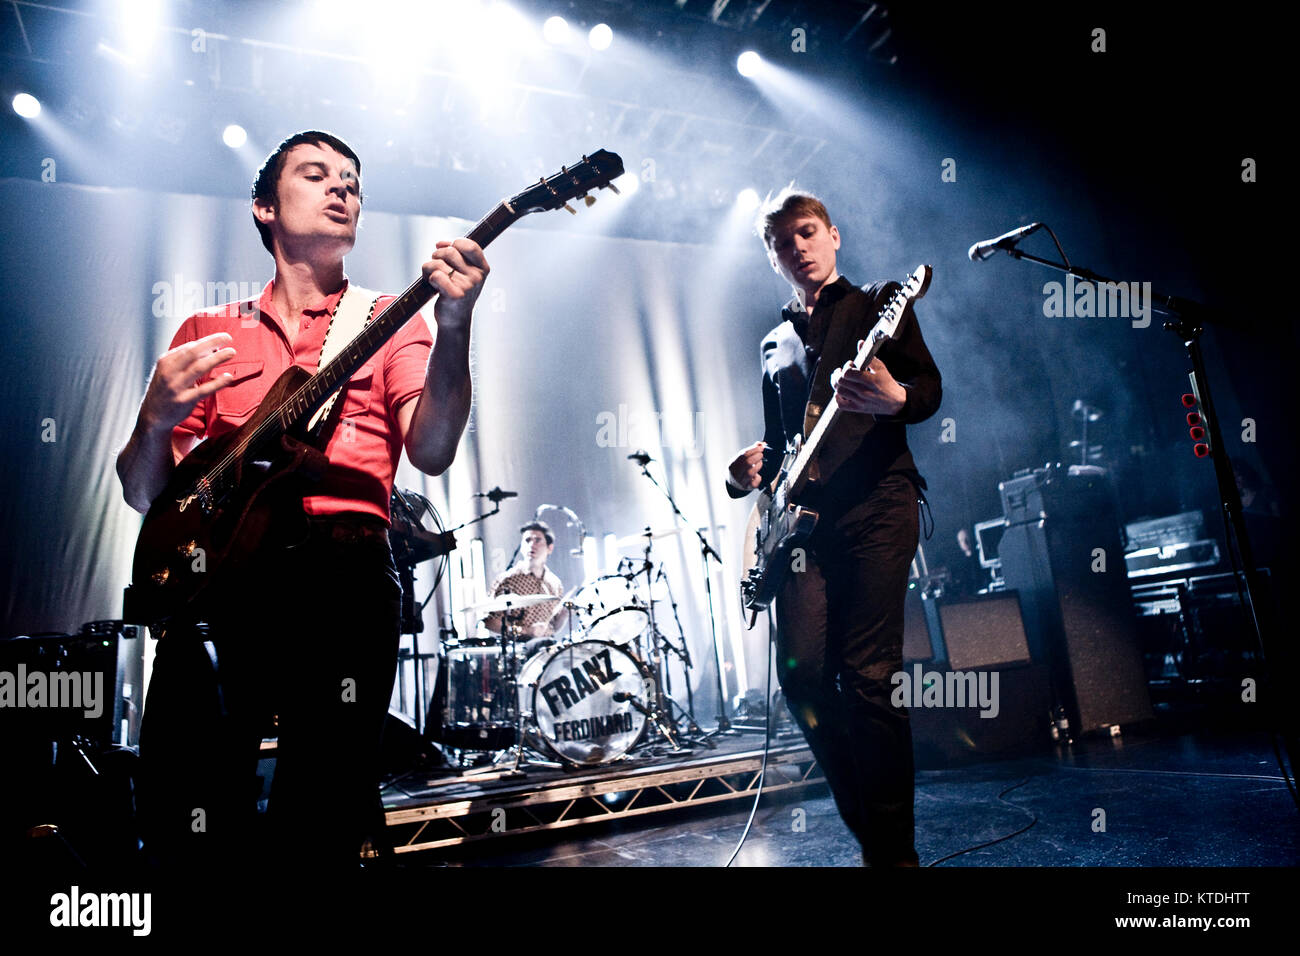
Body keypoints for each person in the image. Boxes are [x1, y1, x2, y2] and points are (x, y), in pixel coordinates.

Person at [115, 130, 489, 873]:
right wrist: (154, 420)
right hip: (223, 586)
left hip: (343, 575)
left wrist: (454, 327)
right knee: (189, 796)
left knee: (321, 806)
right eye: (317, 175)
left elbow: (434, 448)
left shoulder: (391, 321)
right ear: (264, 207)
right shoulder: (212, 332)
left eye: (352, 180)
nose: (342, 188)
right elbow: (144, 491)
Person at [725, 188, 941, 866]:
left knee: (869, 676)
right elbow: (778, 443)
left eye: (808, 231)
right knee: (804, 678)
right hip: (803, 529)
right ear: (771, 256)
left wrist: (894, 398)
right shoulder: (772, 341)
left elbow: (926, 390)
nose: (799, 247)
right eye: (783, 241)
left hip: (879, 506)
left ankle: (893, 856)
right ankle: (875, 840)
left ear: (834, 235)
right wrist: (742, 474)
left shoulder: (880, 304)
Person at [483, 521, 567, 656]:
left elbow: (554, 627)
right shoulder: (508, 580)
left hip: (548, 650)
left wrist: (563, 616)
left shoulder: (554, 582)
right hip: (518, 652)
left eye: (537, 540)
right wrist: (526, 631)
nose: (531, 544)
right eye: (527, 540)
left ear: (549, 548)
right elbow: (490, 622)